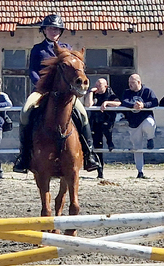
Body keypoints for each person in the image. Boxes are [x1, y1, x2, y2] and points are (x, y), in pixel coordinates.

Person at [13, 13, 100, 174]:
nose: (54, 31)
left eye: (56, 29)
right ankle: (24, 156)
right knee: (25, 112)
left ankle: (90, 155)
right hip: (41, 90)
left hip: (65, 93)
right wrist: (41, 84)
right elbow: (32, 70)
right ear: (44, 30)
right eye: (50, 28)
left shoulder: (67, 49)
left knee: (83, 115)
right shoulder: (38, 49)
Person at [104, 73, 158, 179]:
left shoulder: (147, 91)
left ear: (139, 82)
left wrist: (143, 105)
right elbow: (123, 101)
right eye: (129, 83)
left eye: (132, 83)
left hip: (145, 118)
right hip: (133, 123)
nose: (130, 85)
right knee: (137, 148)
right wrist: (133, 105)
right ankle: (140, 171)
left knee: (150, 124)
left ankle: (150, 138)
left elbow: (155, 102)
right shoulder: (127, 92)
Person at [84, 78, 119, 179]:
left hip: (107, 120)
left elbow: (119, 103)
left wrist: (107, 103)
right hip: (95, 122)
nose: (98, 87)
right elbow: (88, 104)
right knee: (97, 147)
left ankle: (110, 142)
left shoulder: (110, 93)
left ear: (105, 86)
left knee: (106, 128)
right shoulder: (94, 94)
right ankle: (100, 171)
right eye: (96, 85)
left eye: (100, 85)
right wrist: (90, 92)